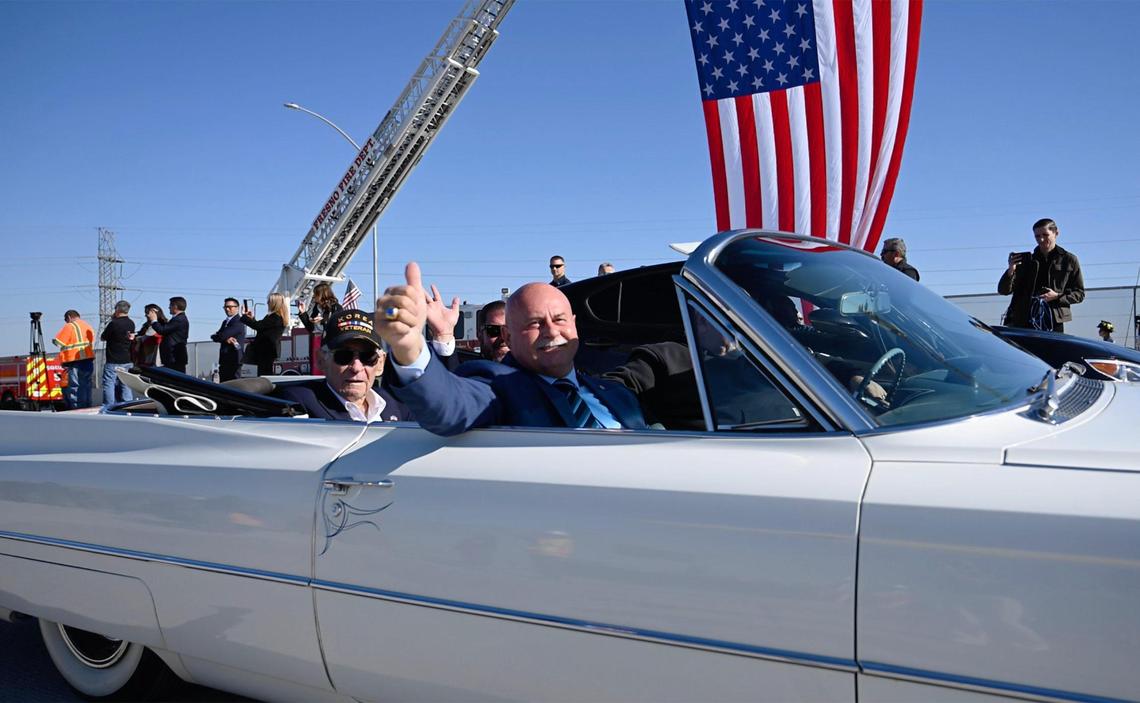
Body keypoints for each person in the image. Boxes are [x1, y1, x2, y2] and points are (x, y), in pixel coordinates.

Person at [378, 263, 646, 436]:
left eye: (560, 319)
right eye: (535, 323)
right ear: (508, 335)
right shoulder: (499, 386)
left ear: (575, 326)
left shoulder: (617, 394)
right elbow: (450, 407)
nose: (552, 331)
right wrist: (410, 348)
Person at [274, 310, 413, 422]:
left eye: (368, 357)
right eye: (344, 356)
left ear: (381, 363)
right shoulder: (298, 402)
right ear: (321, 360)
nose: (357, 367)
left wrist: (436, 336)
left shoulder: (394, 404)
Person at [998, 218, 1085, 332]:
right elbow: (1004, 290)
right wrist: (1011, 270)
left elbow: (1079, 294)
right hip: (1024, 319)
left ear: (1056, 233)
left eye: (1045, 235)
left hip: (1053, 320)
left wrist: (1057, 296)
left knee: (1050, 350)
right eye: (1037, 236)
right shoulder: (1028, 261)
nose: (1041, 239)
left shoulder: (1069, 260)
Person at [52, 309, 96, 409]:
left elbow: (59, 342)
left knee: (75, 386)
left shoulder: (70, 326)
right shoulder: (87, 326)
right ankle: (87, 407)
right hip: (88, 359)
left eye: (65, 320)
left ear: (69, 317)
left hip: (75, 361)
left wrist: (53, 341)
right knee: (86, 385)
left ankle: (77, 408)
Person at [240, 293, 289, 377]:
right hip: (267, 351)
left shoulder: (275, 317)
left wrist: (244, 317)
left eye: (269, 301)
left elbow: (258, 326)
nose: (267, 303)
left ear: (274, 303)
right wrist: (252, 319)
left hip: (266, 351)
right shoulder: (277, 317)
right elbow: (261, 327)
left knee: (264, 375)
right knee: (264, 374)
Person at [100, 300, 136, 407]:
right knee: (125, 384)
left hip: (113, 360)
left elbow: (103, 337)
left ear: (117, 310)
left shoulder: (113, 324)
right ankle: (128, 404)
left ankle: (109, 406)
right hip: (127, 359)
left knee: (109, 383)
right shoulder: (131, 323)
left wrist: (113, 320)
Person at [148, 296, 189, 372]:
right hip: (173, 358)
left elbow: (162, 330)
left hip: (175, 358)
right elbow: (166, 327)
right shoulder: (178, 319)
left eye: (170, 305)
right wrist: (158, 314)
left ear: (175, 306)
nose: (169, 307)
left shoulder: (179, 320)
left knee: (175, 380)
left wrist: (154, 320)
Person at [210, 298, 246, 382]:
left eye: (230, 307)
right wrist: (225, 339)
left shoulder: (238, 322)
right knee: (224, 383)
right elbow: (215, 337)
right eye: (225, 307)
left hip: (234, 359)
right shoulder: (225, 322)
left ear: (237, 308)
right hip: (224, 360)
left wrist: (221, 336)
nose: (227, 309)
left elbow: (221, 335)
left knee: (233, 384)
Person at [132, 303, 165, 367]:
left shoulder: (162, 327)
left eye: (147, 312)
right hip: (145, 358)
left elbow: (146, 337)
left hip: (154, 358)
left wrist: (138, 338)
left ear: (154, 312)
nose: (146, 315)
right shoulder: (146, 326)